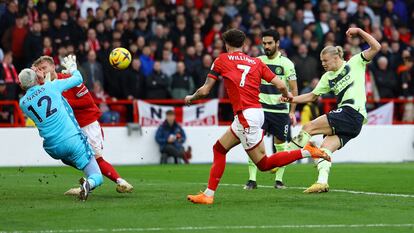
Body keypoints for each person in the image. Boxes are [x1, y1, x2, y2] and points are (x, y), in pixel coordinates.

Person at [185, 29, 330, 205]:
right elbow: (280, 84)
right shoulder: (256, 62)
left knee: (264, 164)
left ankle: (307, 151)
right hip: (256, 113)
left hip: (246, 116)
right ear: (243, 45)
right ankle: (208, 194)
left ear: (226, 44)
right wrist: (285, 95)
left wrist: (191, 98)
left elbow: (205, 90)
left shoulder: (221, 60)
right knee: (219, 149)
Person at [283, 28, 381, 193]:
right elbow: (312, 96)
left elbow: (376, 47)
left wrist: (359, 31)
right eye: (321, 61)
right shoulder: (327, 77)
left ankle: (283, 158)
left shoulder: (356, 62)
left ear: (336, 58)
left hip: (352, 112)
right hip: (353, 124)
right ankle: (322, 182)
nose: (323, 64)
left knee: (308, 127)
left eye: (325, 60)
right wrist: (292, 99)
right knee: (324, 149)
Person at [31, 55, 133, 195]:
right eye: (40, 69)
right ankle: (91, 183)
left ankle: (120, 182)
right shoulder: (45, 87)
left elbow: (87, 102)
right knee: (69, 158)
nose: (43, 71)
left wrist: (62, 101)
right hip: (73, 130)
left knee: (96, 159)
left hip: (88, 124)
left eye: (44, 67)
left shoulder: (69, 79)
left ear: (53, 66)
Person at [18, 56, 102, 201]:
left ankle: (84, 169)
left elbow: (37, 93)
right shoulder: (52, 86)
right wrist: (73, 68)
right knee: (97, 176)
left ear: (21, 86)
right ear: (38, 78)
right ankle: (89, 182)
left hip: (52, 148)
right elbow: (78, 79)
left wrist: (37, 79)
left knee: (69, 158)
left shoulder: (23, 103)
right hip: (72, 139)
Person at [244, 29, 298, 190]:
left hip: (280, 111)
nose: (266, 46)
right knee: (253, 142)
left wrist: (292, 111)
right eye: (264, 43)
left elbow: (294, 90)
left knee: (281, 145)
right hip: (259, 110)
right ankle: (252, 180)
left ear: (277, 43)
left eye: (269, 43)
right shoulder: (257, 61)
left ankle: (279, 180)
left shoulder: (287, 64)